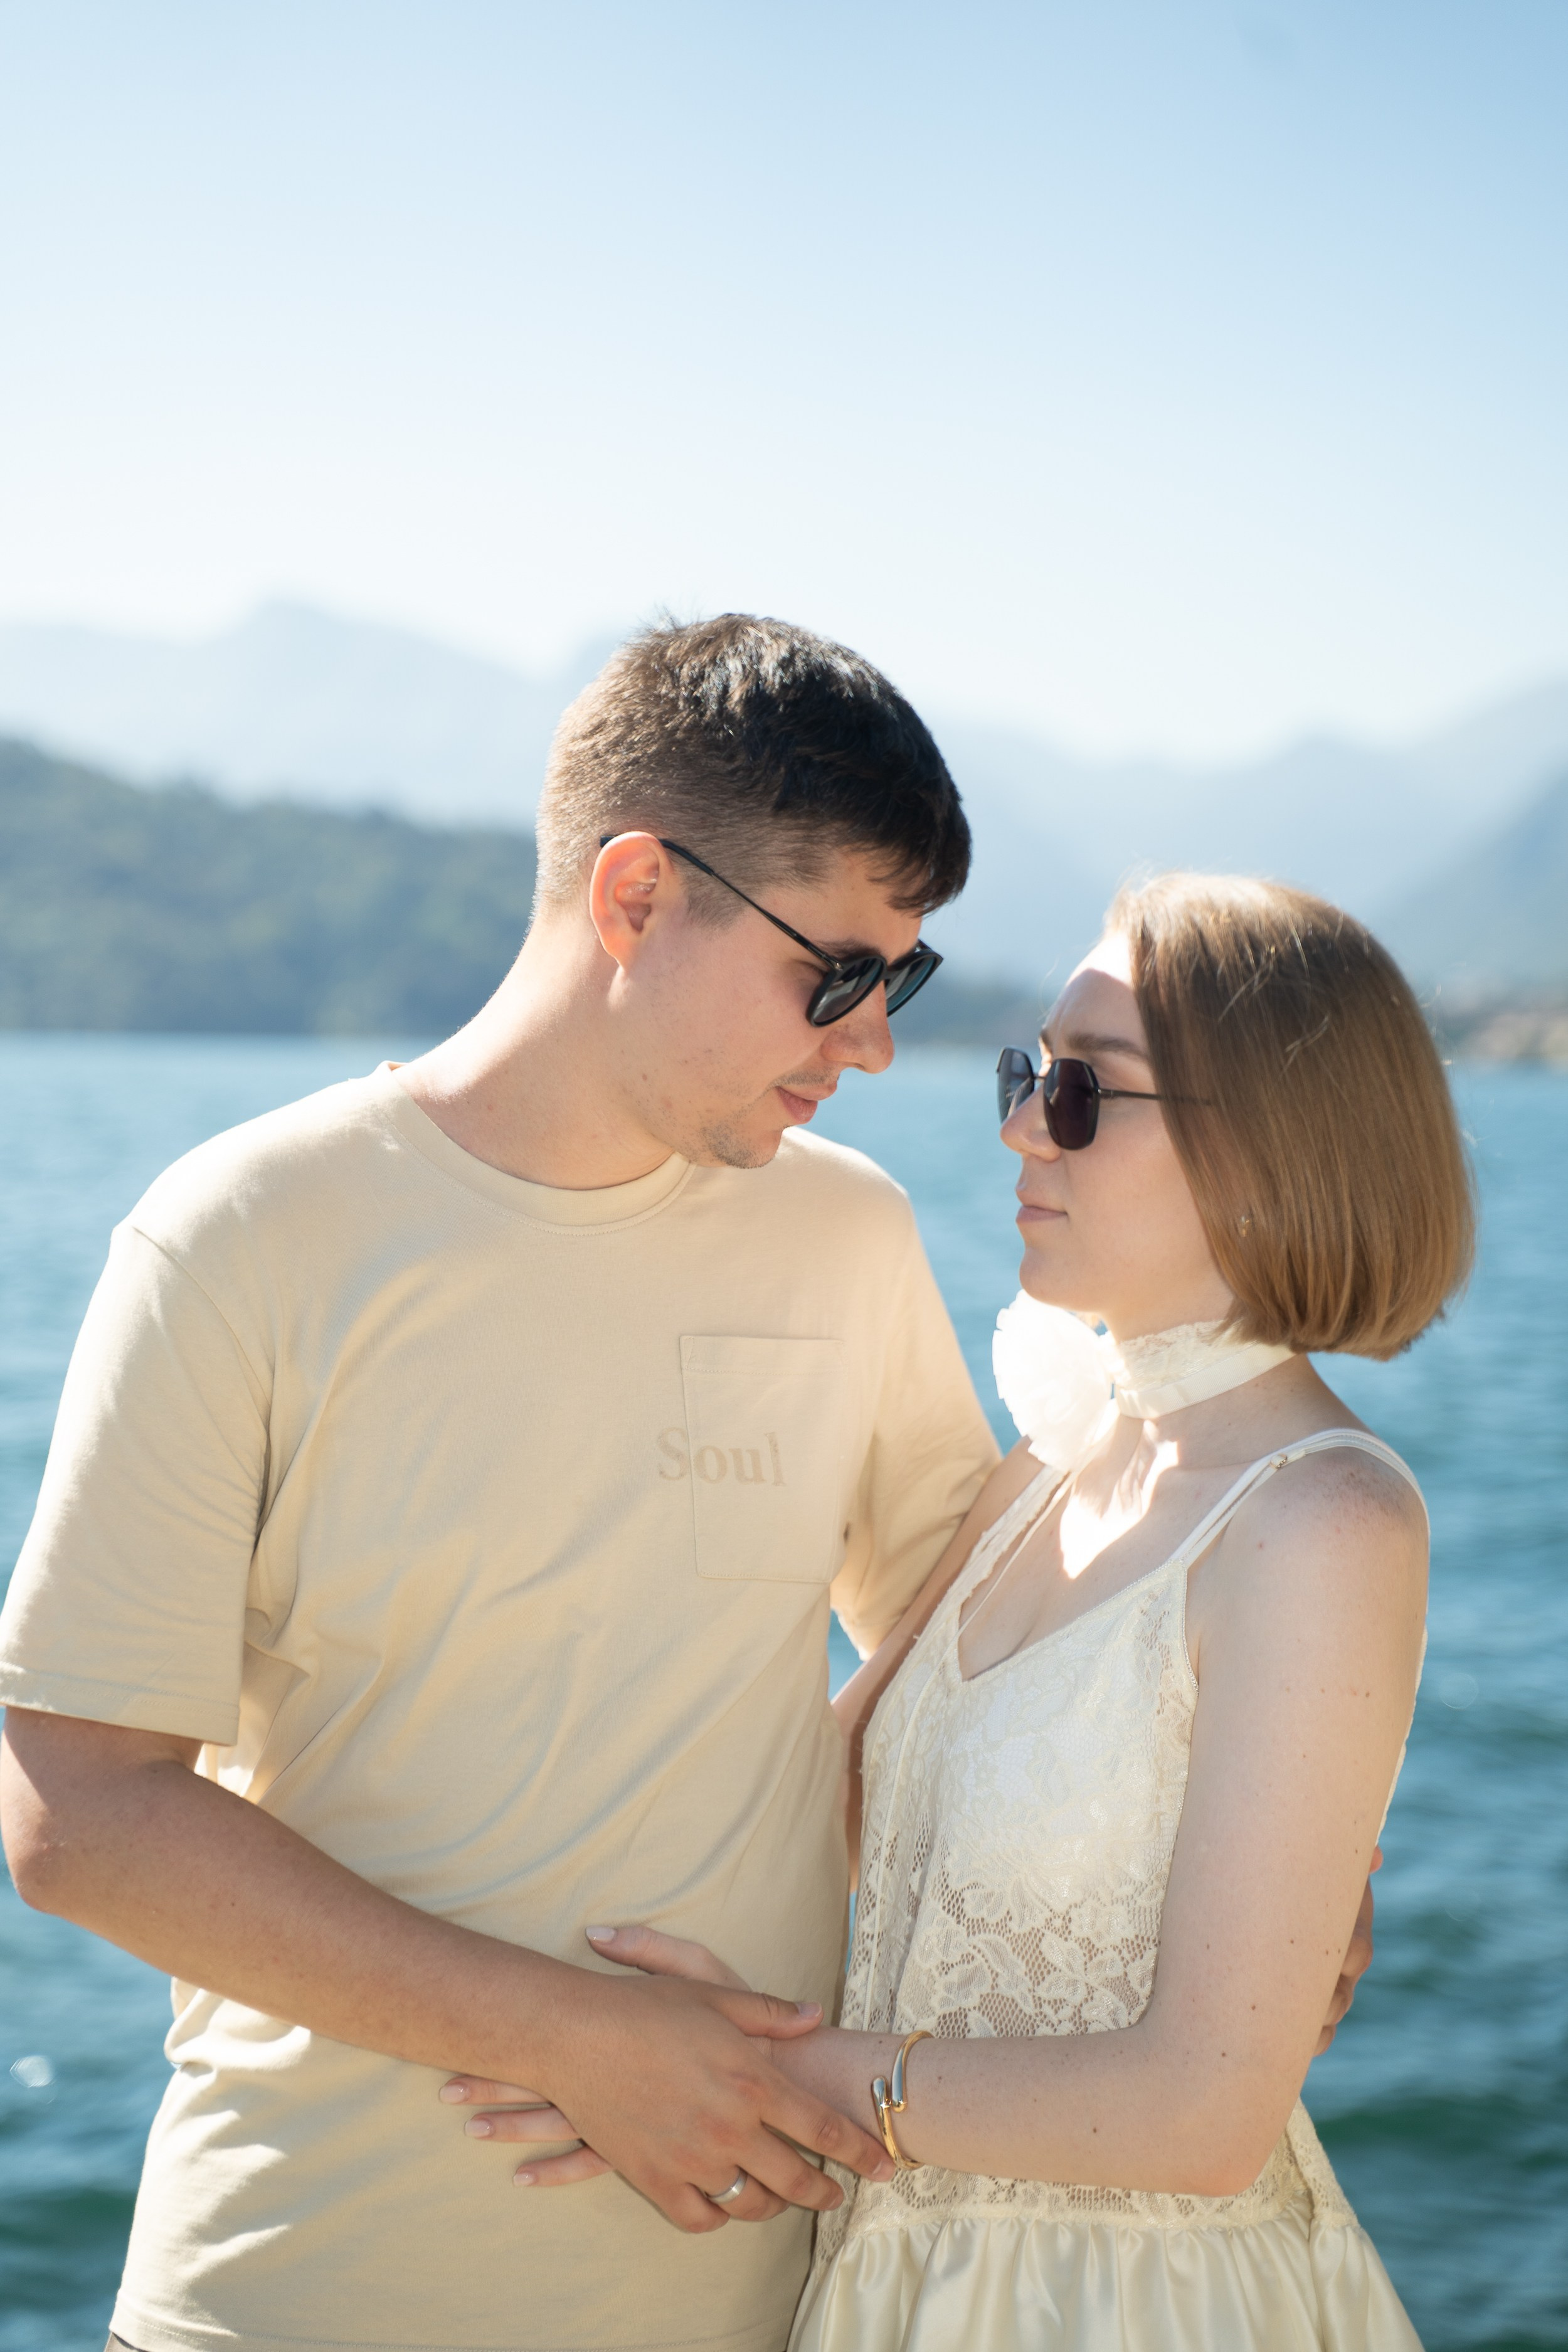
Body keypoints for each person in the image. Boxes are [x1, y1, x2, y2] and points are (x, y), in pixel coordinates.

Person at [0, 615, 998, 2352]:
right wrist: (574, 2034)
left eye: (897, 983)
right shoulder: (234, 1233)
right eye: (835, 972)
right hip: (300, 2283)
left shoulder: (850, 1232)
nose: (872, 1042)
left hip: (756, 2291)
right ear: (632, 898)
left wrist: (1249, 1846)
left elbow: (982, 1655)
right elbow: (73, 1807)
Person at [460, 874, 1470, 2351]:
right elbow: (820, 1802)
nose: (1016, 1127)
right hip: (893, 2282)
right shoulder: (1054, 1462)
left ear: (1267, 1143)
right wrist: (605, 2030)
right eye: (1024, 1076)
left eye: (1078, 1094)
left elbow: (1201, 2113)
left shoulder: (1323, 1523)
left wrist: (760, 2088)